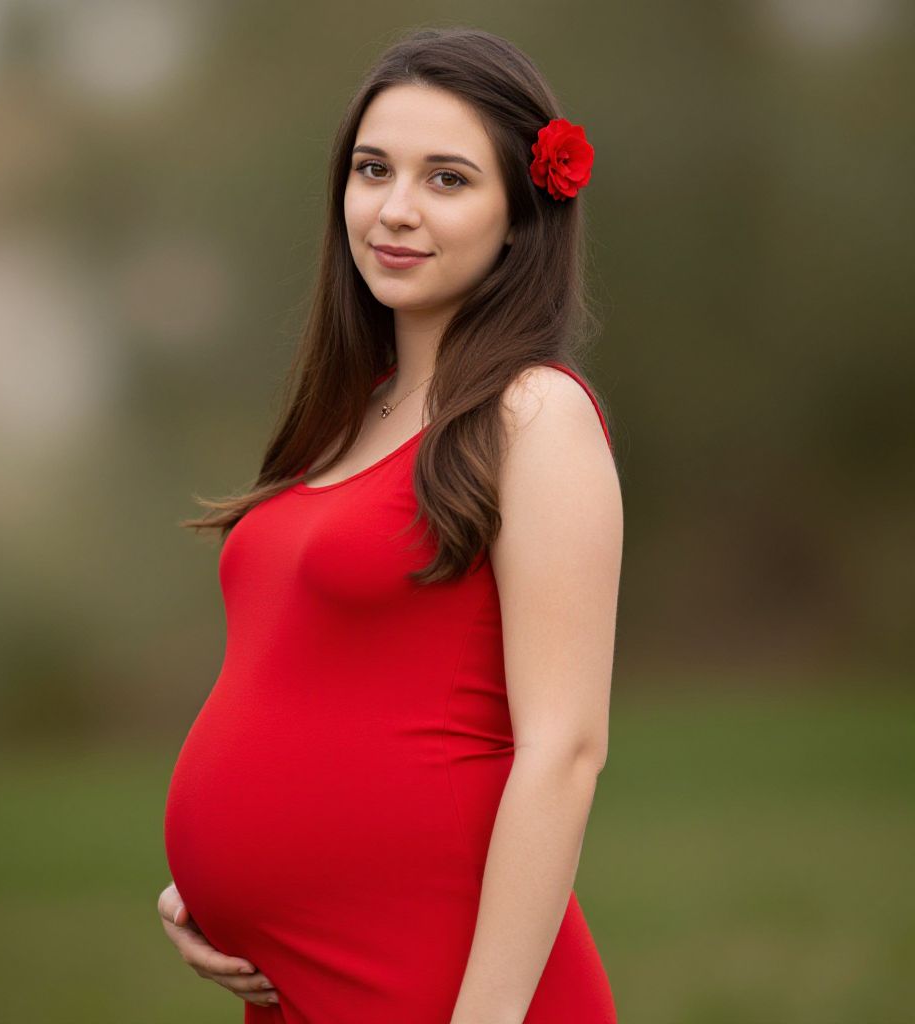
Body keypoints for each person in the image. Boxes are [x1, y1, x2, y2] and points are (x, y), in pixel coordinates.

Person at [158, 25, 623, 1024]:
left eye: (447, 179)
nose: (395, 209)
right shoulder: (349, 412)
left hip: (439, 978)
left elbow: (564, 748)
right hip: (297, 978)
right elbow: (309, 675)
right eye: (374, 169)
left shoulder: (532, 414)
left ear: (519, 216)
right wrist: (212, 880)